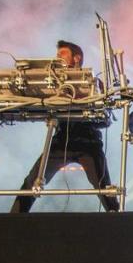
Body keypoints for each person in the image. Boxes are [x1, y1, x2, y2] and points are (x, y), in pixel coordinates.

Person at [10, 40, 120, 213]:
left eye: (62, 54)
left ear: (76, 58)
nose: (57, 57)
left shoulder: (94, 83)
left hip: (88, 142)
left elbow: (106, 119)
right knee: (33, 180)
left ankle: (119, 222)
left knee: (103, 187)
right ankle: (12, 220)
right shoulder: (54, 84)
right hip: (60, 141)